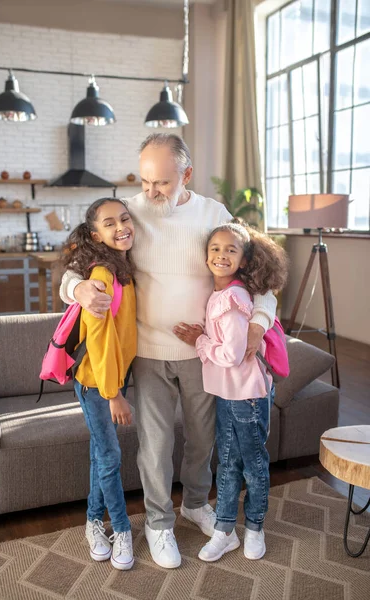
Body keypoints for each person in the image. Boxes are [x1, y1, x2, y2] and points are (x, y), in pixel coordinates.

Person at [60, 134, 277, 569]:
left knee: (203, 439)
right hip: (147, 352)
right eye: (144, 180)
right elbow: (72, 268)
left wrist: (259, 321)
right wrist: (78, 288)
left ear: (187, 175)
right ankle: (157, 524)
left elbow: (261, 276)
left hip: (203, 353)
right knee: (155, 445)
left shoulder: (215, 214)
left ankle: (196, 504)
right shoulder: (127, 214)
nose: (150, 191)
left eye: (160, 182)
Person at [174, 222, 288, 562]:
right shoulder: (221, 295)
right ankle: (225, 530)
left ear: (244, 259)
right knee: (226, 462)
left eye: (230, 250)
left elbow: (231, 355)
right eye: (215, 248)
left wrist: (199, 340)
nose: (221, 255)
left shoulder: (234, 299)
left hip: (248, 395)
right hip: (227, 391)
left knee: (252, 464)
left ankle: (254, 527)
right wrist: (206, 334)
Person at [62, 197, 136, 571]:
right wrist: (114, 394)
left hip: (105, 380)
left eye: (125, 218)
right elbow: (102, 340)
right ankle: (121, 529)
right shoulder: (102, 276)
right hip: (96, 383)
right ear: (96, 234)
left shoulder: (121, 267)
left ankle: (92, 521)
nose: (121, 226)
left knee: (100, 455)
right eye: (110, 223)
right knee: (110, 457)